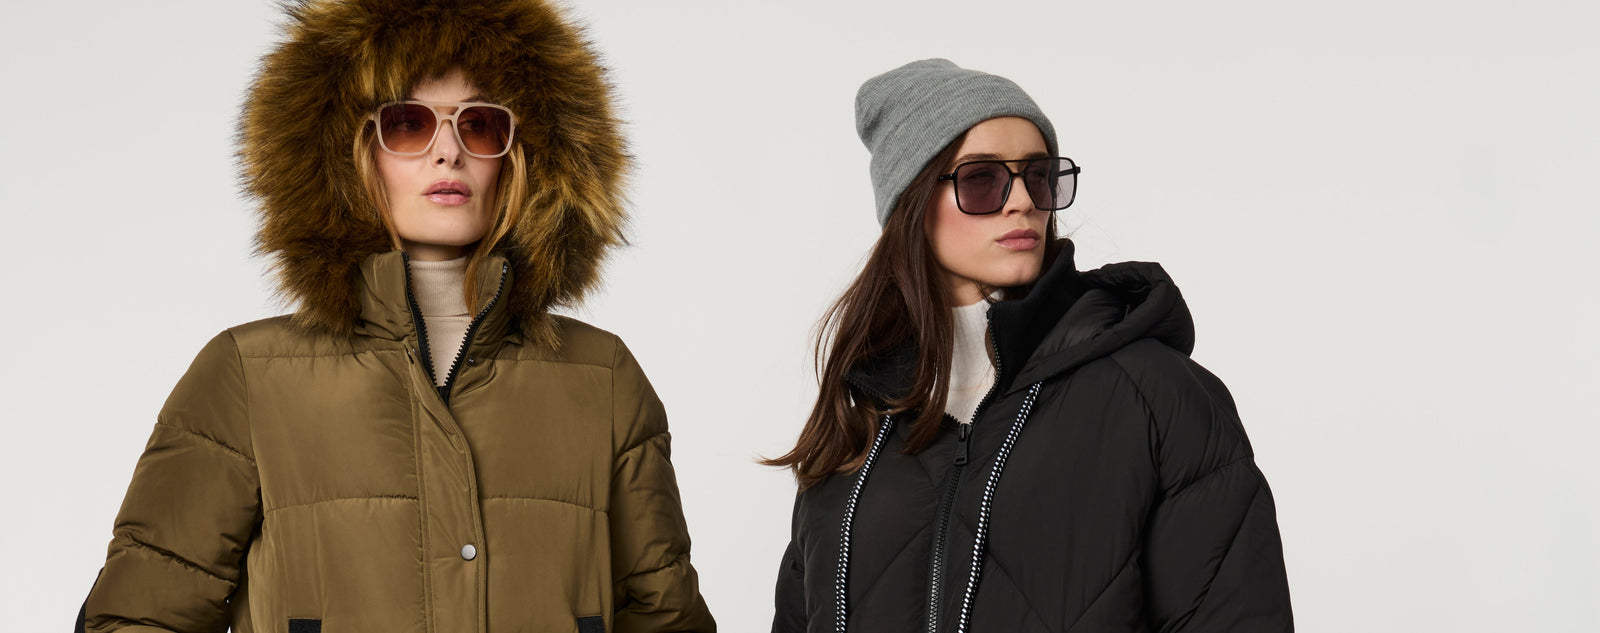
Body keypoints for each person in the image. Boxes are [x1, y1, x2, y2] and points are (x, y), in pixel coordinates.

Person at [75, 1, 716, 632]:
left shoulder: (601, 377)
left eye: (481, 126)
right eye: (408, 124)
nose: (448, 154)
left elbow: (668, 621)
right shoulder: (249, 376)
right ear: (345, 154)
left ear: (524, 157)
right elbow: (138, 615)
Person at [766, 59, 1293, 633]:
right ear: (912, 205)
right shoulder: (861, 413)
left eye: (1038, 176)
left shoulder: (1158, 396)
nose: (1021, 202)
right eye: (982, 180)